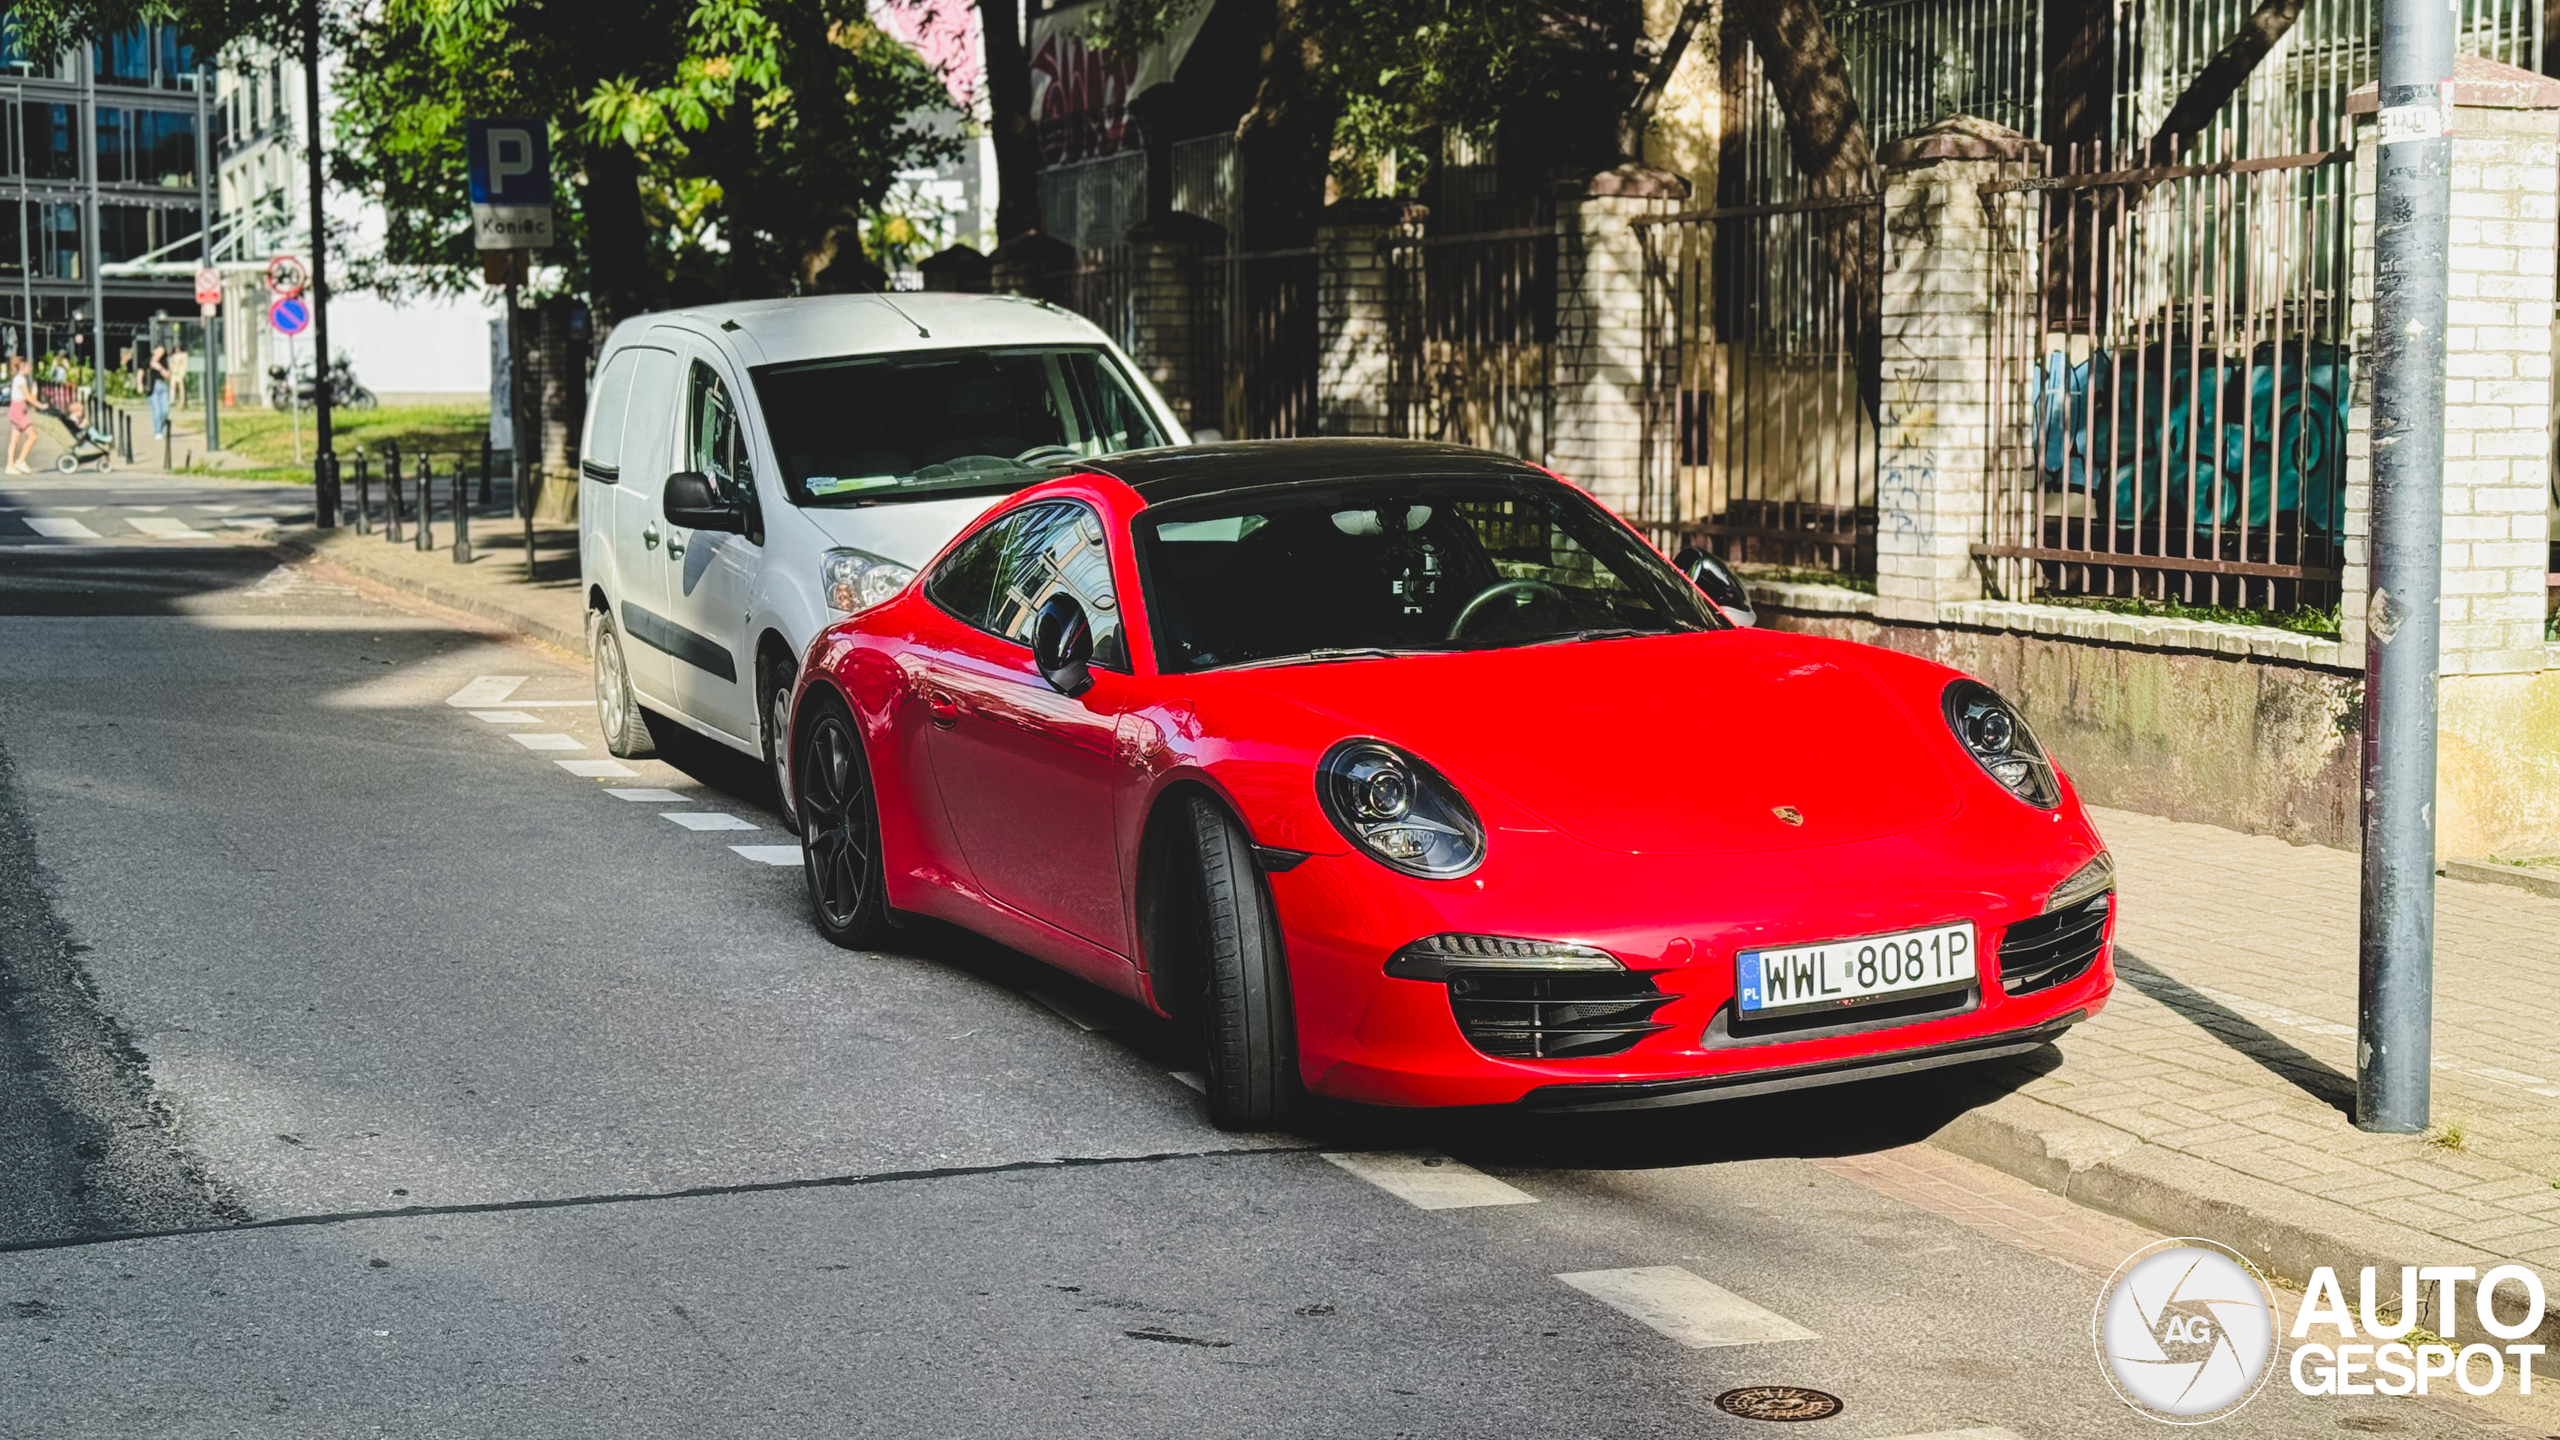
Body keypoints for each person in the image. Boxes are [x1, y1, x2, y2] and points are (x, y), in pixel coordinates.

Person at [6, 356, 33, 474]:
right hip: (18, 410)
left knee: (14, 439)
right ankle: (20, 461)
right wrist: (42, 405)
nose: (30, 368)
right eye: (28, 366)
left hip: (15, 409)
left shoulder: (17, 378)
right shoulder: (21, 379)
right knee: (32, 436)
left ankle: (9, 466)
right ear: (23, 367)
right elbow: (27, 396)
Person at [147, 344, 170, 439]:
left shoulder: (165, 362)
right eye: (159, 351)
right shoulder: (149, 360)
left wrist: (163, 369)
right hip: (153, 388)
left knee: (165, 411)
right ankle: (158, 430)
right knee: (156, 411)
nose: (160, 353)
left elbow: (168, 374)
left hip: (163, 387)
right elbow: (152, 365)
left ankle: (161, 426)